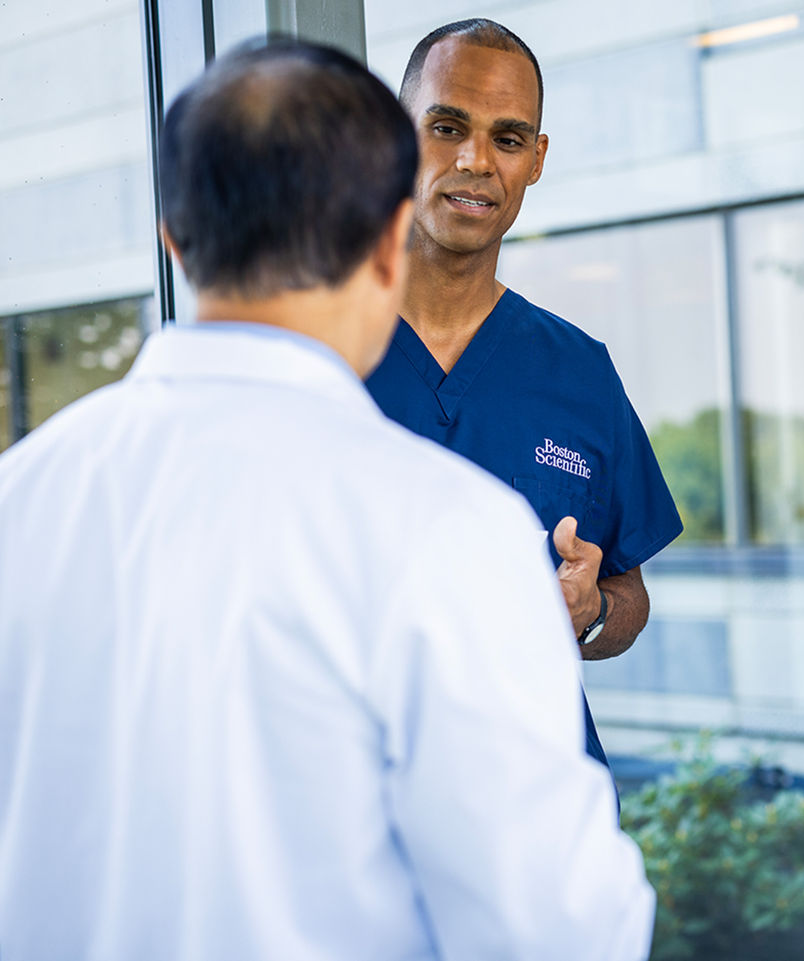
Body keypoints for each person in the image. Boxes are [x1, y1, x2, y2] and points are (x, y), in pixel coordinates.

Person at [0, 39, 654, 961]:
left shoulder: (20, 502)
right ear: (389, 240)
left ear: (174, 239)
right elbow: (559, 927)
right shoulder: (449, 531)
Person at [364, 19, 684, 772]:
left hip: (536, 814)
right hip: (352, 822)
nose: (477, 161)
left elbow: (626, 598)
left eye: (509, 139)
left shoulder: (578, 372)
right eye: (447, 127)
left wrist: (592, 610)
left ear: (536, 161)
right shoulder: (318, 354)